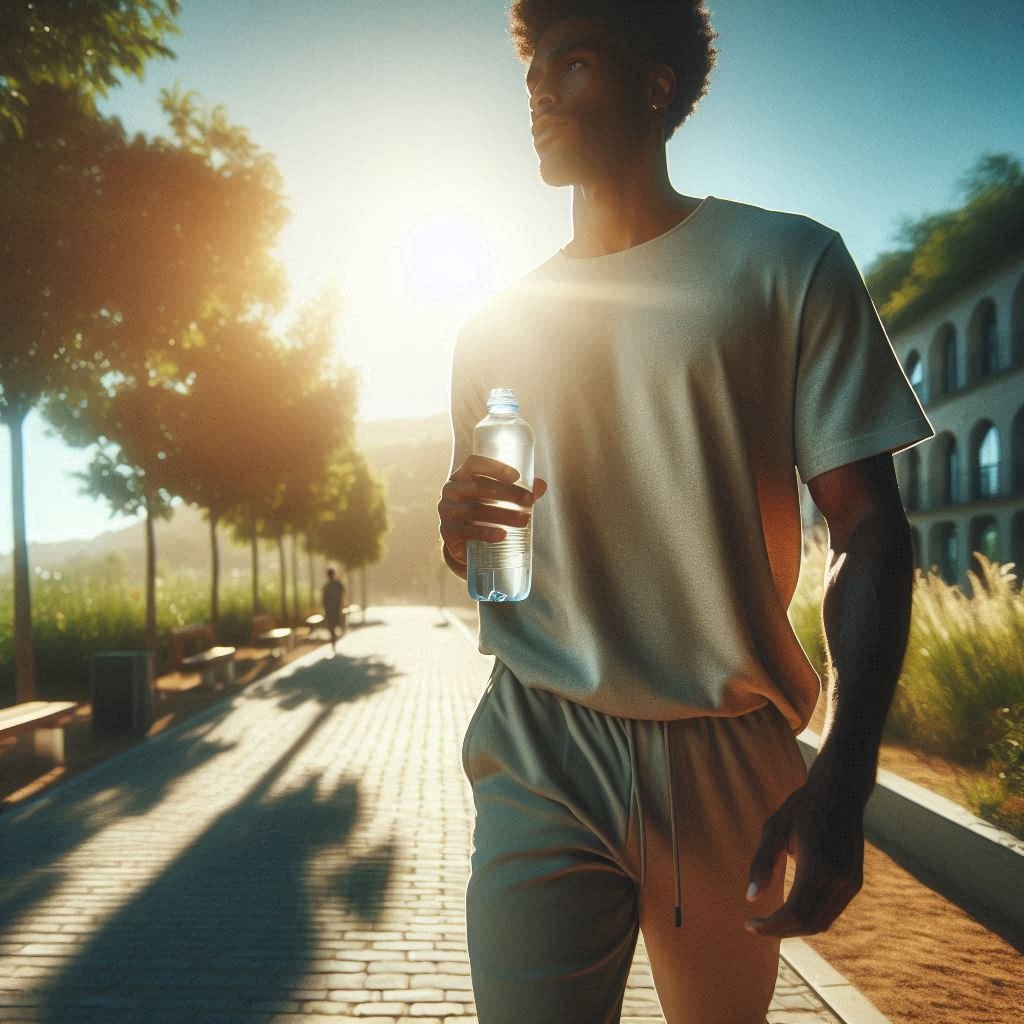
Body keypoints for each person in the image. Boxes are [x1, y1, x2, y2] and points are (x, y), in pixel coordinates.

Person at [437, 3, 935, 1023]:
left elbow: (869, 529)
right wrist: (462, 536)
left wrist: (844, 771)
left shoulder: (788, 266)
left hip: (727, 755)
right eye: (532, 66)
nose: (536, 88)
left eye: (572, 63)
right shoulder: (492, 327)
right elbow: (501, 551)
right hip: (540, 740)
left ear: (655, 85)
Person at [322, 567, 345, 654]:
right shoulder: (337, 585)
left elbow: (324, 600)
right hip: (335, 610)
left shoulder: (328, 586)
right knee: (334, 627)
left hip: (332, 610)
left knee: (332, 627)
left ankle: (334, 641)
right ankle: (334, 642)